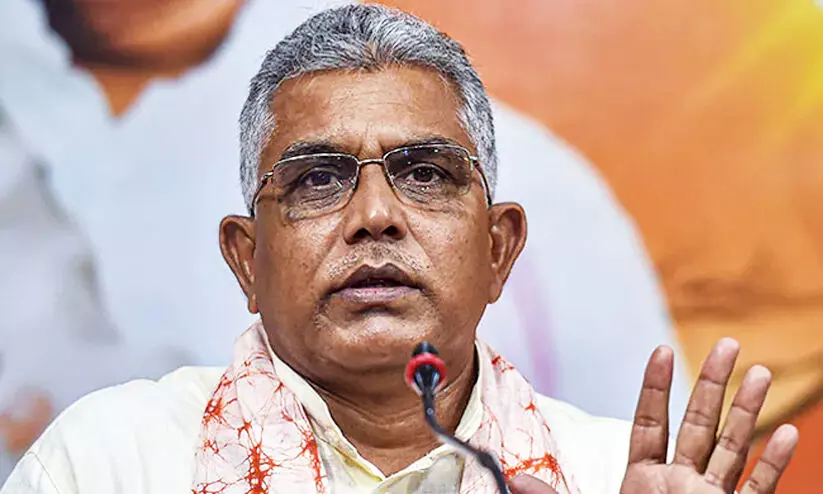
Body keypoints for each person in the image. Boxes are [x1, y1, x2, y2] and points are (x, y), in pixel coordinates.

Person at [5, 5, 785, 494]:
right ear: (246, 259)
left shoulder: (612, 477)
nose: (374, 216)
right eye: (317, 179)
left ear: (499, 249)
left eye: (425, 174)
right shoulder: (108, 463)